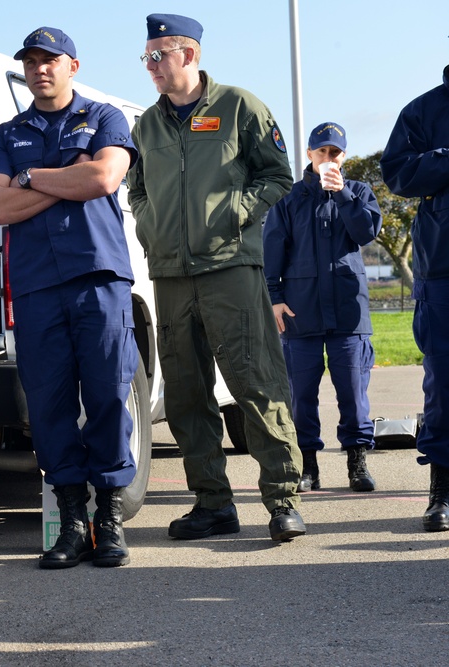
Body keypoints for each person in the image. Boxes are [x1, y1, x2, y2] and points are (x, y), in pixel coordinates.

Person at [127, 14, 306, 542]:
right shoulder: (146, 125)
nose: (152, 66)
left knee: (256, 383)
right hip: (170, 275)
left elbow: (278, 175)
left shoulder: (239, 107)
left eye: (161, 55)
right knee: (185, 395)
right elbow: (137, 189)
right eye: (147, 57)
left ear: (191, 55)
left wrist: (235, 213)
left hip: (230, 268)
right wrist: (150, 225)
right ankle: (212, 503)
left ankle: (283, 500)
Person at [0, 27, 140, 568]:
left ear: (73, 65)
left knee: (109, 396)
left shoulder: (105, 118)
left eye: (50, 60)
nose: (39, 69)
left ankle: (109, 520)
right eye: (31, 61)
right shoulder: (5, 135)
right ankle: (71, 522)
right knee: (47, 405)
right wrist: (61, 177)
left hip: (99, 279)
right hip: (36, 285)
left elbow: (102, 178)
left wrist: (28, 180)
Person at [264, 122, 383, 493]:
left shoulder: (360, 191)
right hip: (301, 311)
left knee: (353, 392)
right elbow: (273, 250)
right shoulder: (289, 197)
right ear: (310, 155)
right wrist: (275, 299)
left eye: (335, 153)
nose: (328, 159)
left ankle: (357, 461)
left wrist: (344, 194)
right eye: (322, 152)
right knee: (301, 395)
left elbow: (366, 233)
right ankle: (308, 466)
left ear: (344, 156)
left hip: (349, 311)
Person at [380, 60, 449, 532]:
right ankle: (443, 488)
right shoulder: (423, 111)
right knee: (445, 382)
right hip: (443, 270)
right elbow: (397, 174)